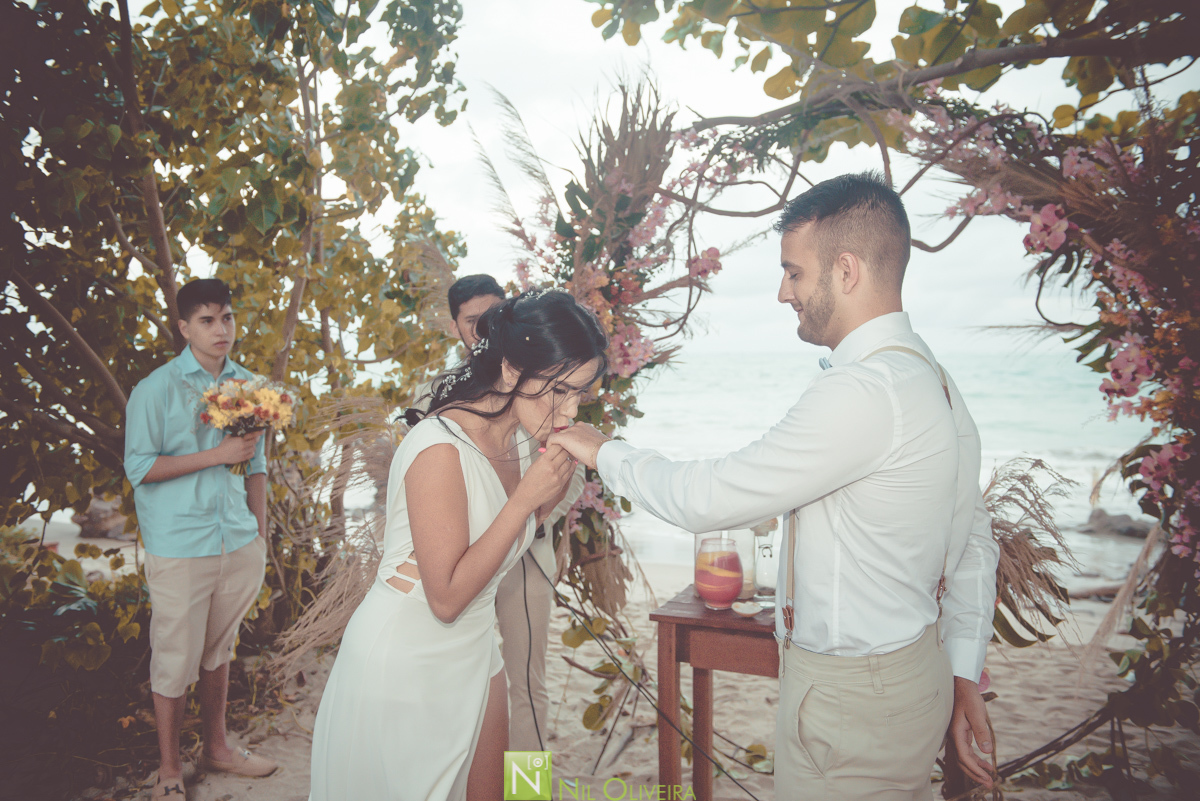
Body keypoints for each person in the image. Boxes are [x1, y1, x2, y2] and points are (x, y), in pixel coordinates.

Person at [551, 172, 1001, 798]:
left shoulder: (865, 392)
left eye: (793, 271)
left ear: (845, 271)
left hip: (853, 698)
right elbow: (974, 535)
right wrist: (961, 670)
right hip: (906, 673)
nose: (781, 292)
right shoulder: (931, 377)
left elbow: (706, 498)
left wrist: (604, 451)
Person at [308, 289, 608, 801]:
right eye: (562, 390)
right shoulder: (437, 447)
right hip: (406, 660)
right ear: (511, 370)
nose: (571, 410)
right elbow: (444, 599)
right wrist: (527, 499)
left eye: (582, 394)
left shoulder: (519, 439)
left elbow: (519, 531)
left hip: (477, 645)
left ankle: (533, 795)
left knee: (523, 713)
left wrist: (549, 487)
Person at [124, 278, 277, 799]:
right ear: (184, 327)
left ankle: (217, 748)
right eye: (208, 320)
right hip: (179, 545)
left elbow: (255, 465)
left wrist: (258, 535)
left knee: (219, 650)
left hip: (235, 541)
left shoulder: (250, 385)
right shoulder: (155, 390)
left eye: (227, 318)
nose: (221, 329)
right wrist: (217, 454)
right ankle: (169, 771)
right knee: (174, 657)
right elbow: (139, 468)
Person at [434, 273, 589, 750]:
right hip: (458, 565)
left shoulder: (548, 380)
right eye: (473, 321)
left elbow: (574, 470)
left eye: (495, 317)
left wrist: (527, 517)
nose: (486, 329)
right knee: (463, 681)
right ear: (455, 326)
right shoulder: (438, 396)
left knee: (525, 683)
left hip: (526, 560)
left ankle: (529, 791)